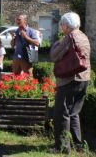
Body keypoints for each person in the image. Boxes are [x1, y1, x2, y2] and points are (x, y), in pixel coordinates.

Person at [50, 12, 90, 154]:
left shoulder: (69, 38)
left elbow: (54, 55)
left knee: (62, 114)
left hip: (69, 79)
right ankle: (78, 145)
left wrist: (56, 43)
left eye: (62, 25)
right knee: (74, 113)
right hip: (84, 79)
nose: (61, 27)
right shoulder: (84, 36)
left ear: (66, 26)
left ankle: (62, 147)